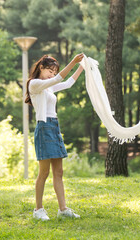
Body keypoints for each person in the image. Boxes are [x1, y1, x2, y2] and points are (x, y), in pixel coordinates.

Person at [25, 53, 84, 221]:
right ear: (40, 68)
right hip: (44, 128)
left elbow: (68, 83)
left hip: (54, 127)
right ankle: (38, 209)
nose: (51, 74)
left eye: (54, 71)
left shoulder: (49, 86)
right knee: (43, 172)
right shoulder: (35, 84)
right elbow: (59, 79)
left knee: (58, 171)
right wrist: (73, 61)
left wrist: (82, 66)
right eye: (49, 70)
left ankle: (63, 209)